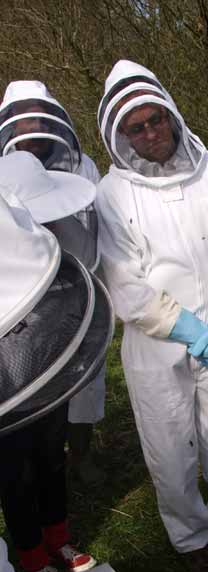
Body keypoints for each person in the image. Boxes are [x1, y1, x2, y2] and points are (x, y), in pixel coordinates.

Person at [95, 61, 208, 572]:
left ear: (171, 114)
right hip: (156, 347)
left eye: (155, 120)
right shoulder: (111, 194)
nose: (150, 133)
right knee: (170, 447)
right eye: (136, 128)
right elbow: (125, 283)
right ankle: (191, 536)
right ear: (120, 136)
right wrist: (185, 329)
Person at [0, 80, 106, 487]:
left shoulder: (83, 166)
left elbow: (93, 224)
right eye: (22, 125)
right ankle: (39, 463)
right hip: (26, 296)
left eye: (37, 123)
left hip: (77, 282)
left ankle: (80, 454)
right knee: (32, 380)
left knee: (85, 376)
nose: (31, 135)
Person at [0, 177, 98, 572]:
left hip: (47, 375)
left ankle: (59, 539)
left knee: (51, 460)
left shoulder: (47, 249)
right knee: (14, 474)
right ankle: (32, 557)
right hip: (6, 389)